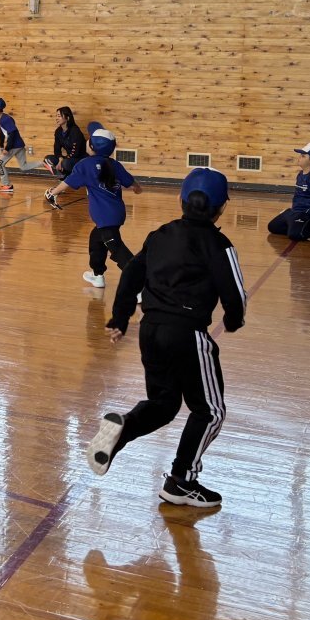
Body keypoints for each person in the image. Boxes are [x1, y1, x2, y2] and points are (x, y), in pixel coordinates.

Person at [87, 168, 246, 509]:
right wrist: (234, 320)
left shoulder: (159, 235)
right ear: (222, 208)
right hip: (187, 334)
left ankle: (122, 430)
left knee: (163, 404)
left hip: (151, 330)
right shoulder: (219, 244)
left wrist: (120, 317)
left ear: (180, 199)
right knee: (210, 411)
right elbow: (235, 293)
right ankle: (181, 481)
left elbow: (131, 275)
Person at [45, 126, 138, 288]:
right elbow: (133, 184)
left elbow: (67, 182)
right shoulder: (114, 164)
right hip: (116, 213)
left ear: (92, 146)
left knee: (118, 250)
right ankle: (97, 275)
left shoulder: (85, 165)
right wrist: (137, 189)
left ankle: (140, 285)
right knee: (96, 241)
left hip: (105, 218)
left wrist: (52, 192)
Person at [267, 143, 310, 242]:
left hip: (308, 215)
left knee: (294, 235)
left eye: (303, 156)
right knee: (272, 227)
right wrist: (292, 210)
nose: (299, 158)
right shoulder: (300, 175)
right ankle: (294, 223)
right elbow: (298, 196)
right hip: (295, 212)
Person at [0, 98, 44, 194]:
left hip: (14, 146)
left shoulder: (6, 119)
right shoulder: (2, 119)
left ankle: (6, 185)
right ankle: (44, 163)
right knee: (23, 166)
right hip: (19, 145)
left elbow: (12, 134)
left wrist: (7, 148)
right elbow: (2, 133)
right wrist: (1, 145)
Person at [45, 106, 87, 180]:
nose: (56, 118)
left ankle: (69, 176)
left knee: (65, 163)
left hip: (80, 159)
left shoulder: (75, 131)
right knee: (47, 159)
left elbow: (75, 153)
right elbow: (56, 149)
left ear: (67, 118)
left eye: (59, 116)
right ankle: (62, 176)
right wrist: (60, 158)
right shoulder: (58, 131)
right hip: (68, 158)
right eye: (56, 116)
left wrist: (62, 161)